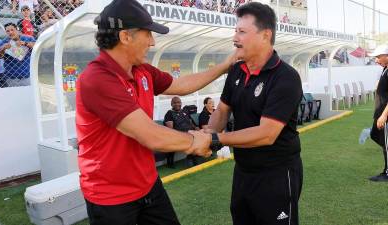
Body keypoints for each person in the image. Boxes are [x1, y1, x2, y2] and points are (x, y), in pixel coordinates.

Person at [76, 0, 236, 224]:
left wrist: (224, 67)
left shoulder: (141, 70)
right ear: (125, 37)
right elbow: (149, 134)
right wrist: (196, 141)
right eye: (148, 34)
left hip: (148, 184)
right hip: (111, 198)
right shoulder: (97, 79)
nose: (152, 42)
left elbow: (182, 85)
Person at [205, 2, 303, 225]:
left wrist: (215, 139)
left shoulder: (285, 77)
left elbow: (266, 134)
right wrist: (209, 132)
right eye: (235, 30)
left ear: (265, 35)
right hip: (243, 172)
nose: (235, 37)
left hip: (276, 175)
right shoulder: (237, 70)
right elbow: (222, 109)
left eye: (241, 31)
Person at [369, 44, 388, 182]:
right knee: (376, 136)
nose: (376, 60)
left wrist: (384, 115)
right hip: (380, 113)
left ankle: (387, 173)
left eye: (378, 57)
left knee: (387, 143)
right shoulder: (385, 69)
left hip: (385, 115)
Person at [164, 96, 199, 168]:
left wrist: (196, 128)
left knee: (199, 136)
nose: (177, 104)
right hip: (179, 135)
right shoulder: (169, 114)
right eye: (174, 103)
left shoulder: (184, 111)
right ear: (171, 104)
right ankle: (190, 158)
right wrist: (182, 135)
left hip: (190, 132)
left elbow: (191, 122)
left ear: (181, 103)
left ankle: (192, 157)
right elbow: (171, 130)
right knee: (190, 140)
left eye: (178, 102)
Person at [0, 22, 35, 87]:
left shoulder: (28, 38)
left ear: (17, 30)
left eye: (12, 30)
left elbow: (37, 46)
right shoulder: (4, 42)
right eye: (7, 31)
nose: (10, 32)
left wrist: (25, 43)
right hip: (11, 77)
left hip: (28, 75)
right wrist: (3, 48)